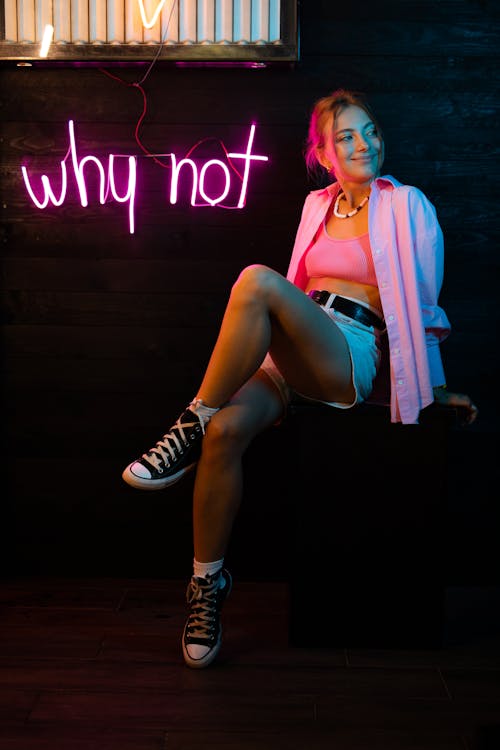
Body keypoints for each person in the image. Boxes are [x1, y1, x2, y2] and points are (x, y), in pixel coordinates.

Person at [122, 89, 478, 669]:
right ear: (324, 154)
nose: (365, 143)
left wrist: (433, 390)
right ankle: (206, 586)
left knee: (255, 280)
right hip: (292, 346)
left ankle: (188, 421)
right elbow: (298, 288)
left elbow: (424, 309)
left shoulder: (408, 204)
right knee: (229, 431)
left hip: (350, 353)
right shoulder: (316, 206)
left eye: (370, 131)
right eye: (347, 137)